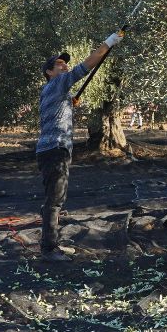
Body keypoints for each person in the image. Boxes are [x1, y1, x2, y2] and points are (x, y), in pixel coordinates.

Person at [36, 30, 124, 262]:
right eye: (59, 64)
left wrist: (68, 104)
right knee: (55, 199)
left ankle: (49, 240)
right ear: (49, 72)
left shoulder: (50, 91)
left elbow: (54, 112)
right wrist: (108, 43)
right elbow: (86, 66)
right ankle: (48, 249)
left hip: (50, 150)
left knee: (54, 197)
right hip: (55, 149)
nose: (64, 66)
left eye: (65, 63)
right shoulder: (57, 84)